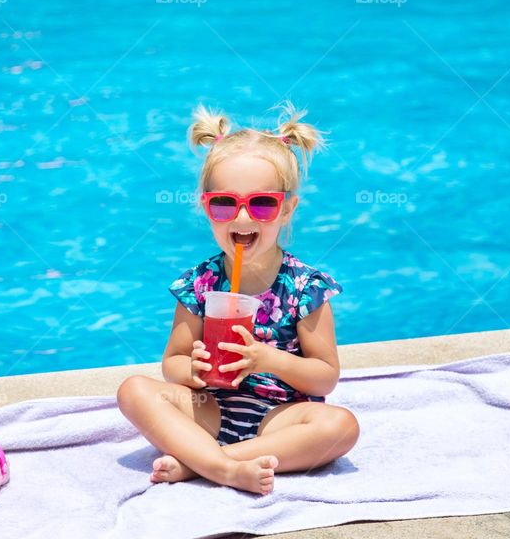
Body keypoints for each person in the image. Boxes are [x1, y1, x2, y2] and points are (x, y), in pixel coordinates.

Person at [116, 101, 360, 496]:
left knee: (340, 426)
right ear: (206, 207)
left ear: (287, 210)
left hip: (280, 418)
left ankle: (204, 463)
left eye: (262, 204)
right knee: (134, 390)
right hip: (209, 410)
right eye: (225, 203)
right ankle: (220, 464)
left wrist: (267, 358)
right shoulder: (200, 283)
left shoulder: (304, 287)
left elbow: (325, 375)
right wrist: (190, 369)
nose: (242, 218)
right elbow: (172, 363)